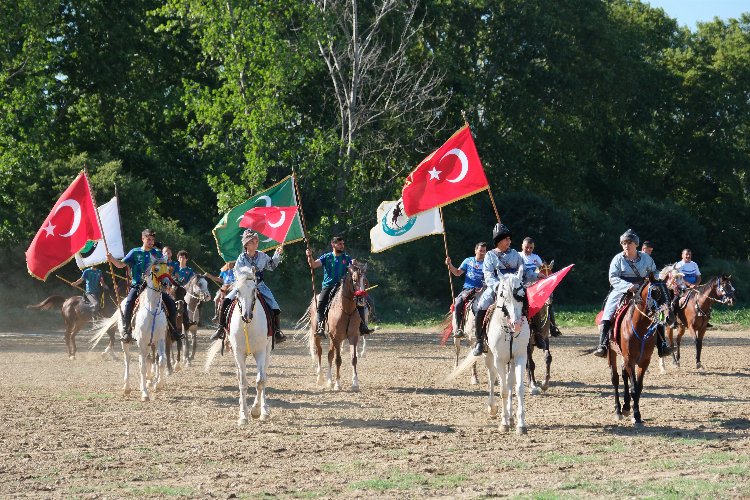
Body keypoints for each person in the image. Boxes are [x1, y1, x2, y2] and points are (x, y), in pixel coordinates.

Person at [593, 229, 673, 358]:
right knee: (608, 311)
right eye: (624, 243)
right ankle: (602, 345)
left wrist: (663, 277)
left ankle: (662, 344)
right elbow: (613, 277)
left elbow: (654, 272)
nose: (626, 245)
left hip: (643, 288)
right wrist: (628, 286)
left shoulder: (646, 258)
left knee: (659, 308)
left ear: (636, 244)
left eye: (629, 242)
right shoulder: (617, 259)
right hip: (622, 289)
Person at [107, 228, 181, 343]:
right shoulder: (134, 252)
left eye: (152, 240)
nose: (151, 242)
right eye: (149, 239)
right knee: (129, 302)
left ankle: (174, 331)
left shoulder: (156, 253)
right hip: (138, 286)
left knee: (171, 303)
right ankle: (127, 331)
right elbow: (121, 264)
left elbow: (163, 268)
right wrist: (111, 259)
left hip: (155, 287)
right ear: (143, 239)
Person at [211, 230, 286, 344]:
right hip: (244, 286)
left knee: (275, 306)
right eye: (252, 241)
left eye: (256, 241)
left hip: (260, 286)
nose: (256, 243)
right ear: (246, 244)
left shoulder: (262, 255)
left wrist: (277, 254)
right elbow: (236, 273)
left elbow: (271, 266)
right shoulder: (241, 258)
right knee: (225, 301)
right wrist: (248, 274)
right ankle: (221, 328)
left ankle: (277, 332)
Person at [306, 235, 374, 338]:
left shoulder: (346, 258)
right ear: (333, 244)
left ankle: (363, 326)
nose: (342, 246)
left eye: (343, 244)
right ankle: (321, 327)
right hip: (328, 286)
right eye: (340, 244)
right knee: (320, 304)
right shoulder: (326, 257)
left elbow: (351, 268)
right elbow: (313, 265)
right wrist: (309, 256)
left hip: (342, 287)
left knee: (360, 301)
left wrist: (354, 268)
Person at [472, 223, 524, 356]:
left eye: (509, 239)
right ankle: (479, 341)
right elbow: (488, 275)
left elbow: (524, 272)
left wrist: (537, 275)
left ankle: (536, 334)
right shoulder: (490, 255)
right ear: (499, 240)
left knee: (529, 301)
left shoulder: (515, 254)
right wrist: (498, 287)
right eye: (506, 239)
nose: (509, 241)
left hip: (514, 288)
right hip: (496, 288)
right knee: (481, 305)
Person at [520, 236, 562, 337]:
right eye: (527, 247)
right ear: (522, 246)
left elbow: (544, 270)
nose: (529, 249)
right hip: (521, 285)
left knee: (547, 301)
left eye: (531, 248)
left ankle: (552, 326)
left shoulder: (536, 258)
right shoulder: (518, 256)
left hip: (535, 287)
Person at [446, 242, 487, 339]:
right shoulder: (468, 261)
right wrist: (450, 264)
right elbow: (457, 273)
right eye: (480, 251)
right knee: (458, 303)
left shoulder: (488, 263)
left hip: (483, 290)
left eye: (484, 251)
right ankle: (459, 328)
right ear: (475, 250)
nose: (482, 253)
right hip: (468, 289)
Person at [671, 248, 703, 324]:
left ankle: (704, 320)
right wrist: (689, 285)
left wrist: (696, 285)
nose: (688, 256)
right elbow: (681, 278)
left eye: (690, 254)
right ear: (682, 255)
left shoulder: (694, 264)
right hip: (682, 288)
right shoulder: (679, 265)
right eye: (686, 254)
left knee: (704, 299)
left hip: (694, 288)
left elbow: (698, 277)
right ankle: (673, 321)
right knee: (675, 302)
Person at [173, 250, 197, 328]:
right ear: (178, 259)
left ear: (186, 259)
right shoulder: (175, 269)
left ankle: (187, 320)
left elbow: (191, 281)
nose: (182, 259)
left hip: (185, 290)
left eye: (184, 258)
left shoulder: (189, 270)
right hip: (173, 288)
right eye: (180, 257)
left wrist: (185, 286)